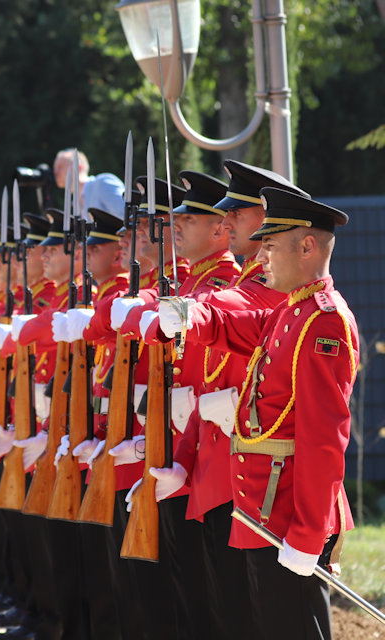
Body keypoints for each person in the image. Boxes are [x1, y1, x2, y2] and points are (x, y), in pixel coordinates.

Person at [158, 187, 357, 640]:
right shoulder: (292, 309)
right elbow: (241, 326)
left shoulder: (323, 320)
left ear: (307, 246)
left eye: (269, 246)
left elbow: (324, 439)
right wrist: (193, 316)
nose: (260, 257)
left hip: (288, 515)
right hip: (263, 509)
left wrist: (306, 535)